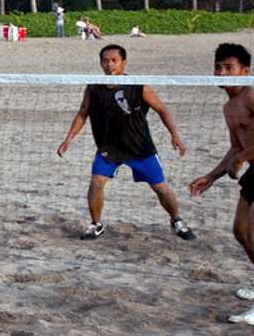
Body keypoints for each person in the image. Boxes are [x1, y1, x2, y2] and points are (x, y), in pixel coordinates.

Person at [57, 43, 196, 241]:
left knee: (161, 188)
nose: (109, 64)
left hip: (139, 147)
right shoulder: (94, 87)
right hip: (109, 148)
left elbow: (163, 110)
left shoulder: (139, 86)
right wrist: (68, 139)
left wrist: (175, 136)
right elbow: (82, 113)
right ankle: (96, 224)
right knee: (96, 182)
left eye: (114, 60)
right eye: (105, 61)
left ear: (123, 62)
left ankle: (176, 220)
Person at [188, 44, 254, 324]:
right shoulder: (229, 107)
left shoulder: (251, 95)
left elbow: (241, 153)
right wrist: (210, 177)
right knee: (240, 231)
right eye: (218, 67)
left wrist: (242, 158)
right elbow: (235, 148)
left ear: (245, 71)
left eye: (229, 67)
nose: (222, 72)